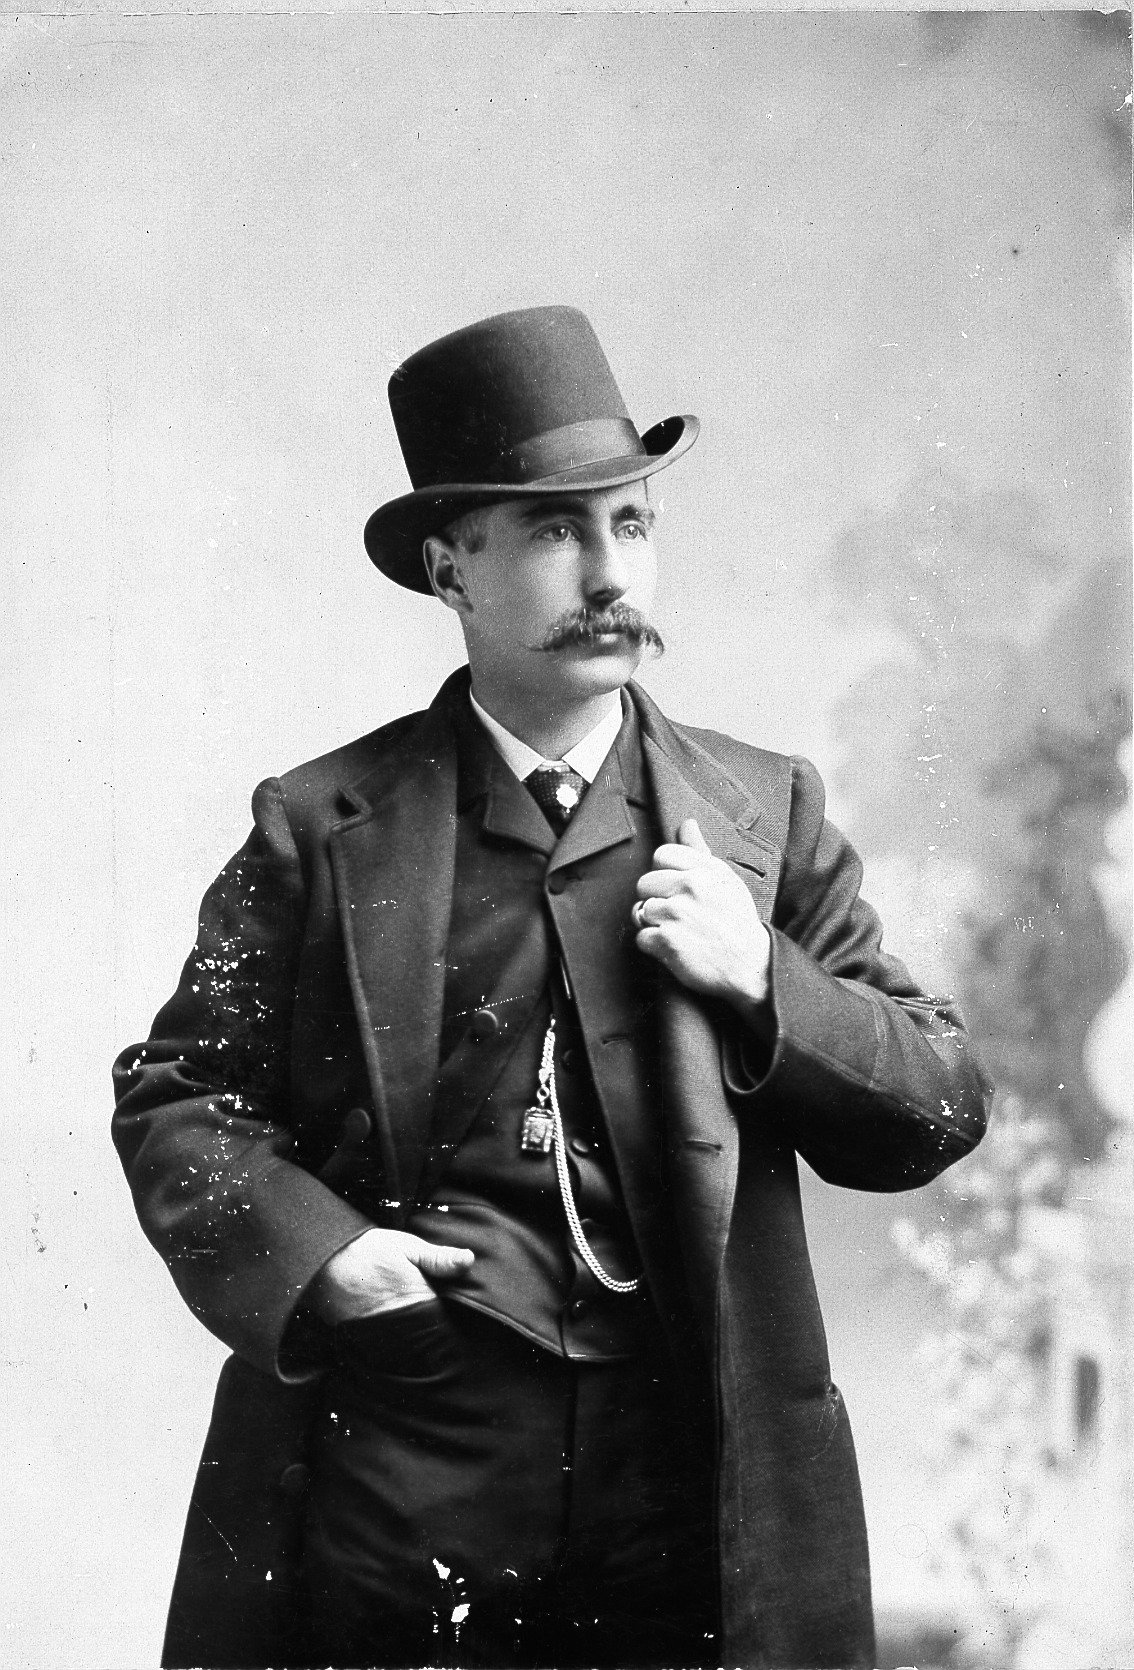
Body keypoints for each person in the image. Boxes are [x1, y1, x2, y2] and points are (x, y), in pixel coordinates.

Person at [112, 305, 992, 1670]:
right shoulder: (322, 825)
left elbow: (938, 1104)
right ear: (450, 571)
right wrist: (324, 1259)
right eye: (552, 532)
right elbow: (178, 1099)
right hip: (409, 1467)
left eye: (630, 524)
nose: (609, 572)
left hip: (688, 1474)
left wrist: (764, 981)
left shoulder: (762, 817)